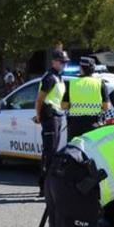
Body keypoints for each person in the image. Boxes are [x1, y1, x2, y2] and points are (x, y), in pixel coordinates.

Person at [34, 50, 69, 196]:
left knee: (54, 152)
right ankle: (44, 186)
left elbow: (59, 100)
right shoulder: (50, 78)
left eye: (65, 62)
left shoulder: (59, 77)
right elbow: (39, 99)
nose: (64, 64)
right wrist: (38, 116)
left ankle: (48, 185)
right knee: (49, 153)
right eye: (62, 62)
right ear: (54, 61)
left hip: (57, 115)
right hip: (49, 117)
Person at [62, 57, 110, 140]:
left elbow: (63, 106)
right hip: (94, 125)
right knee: (92, 151)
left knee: (74, 151)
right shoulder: (100, 83)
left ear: (81, 69)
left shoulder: (71, 84)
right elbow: (106, 107)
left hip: (75, 125)